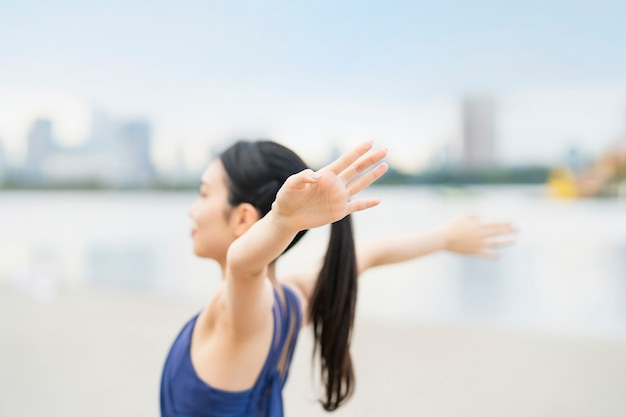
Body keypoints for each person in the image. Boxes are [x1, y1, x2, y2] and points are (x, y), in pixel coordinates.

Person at [160, 139, 516, 417]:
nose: (193, 208)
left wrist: (283, 222)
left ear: (243, 219)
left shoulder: (243, 314)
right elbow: (366, 256)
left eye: (204, 194)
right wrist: (442, 238)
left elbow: (243, 265)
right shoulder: (289, 302)